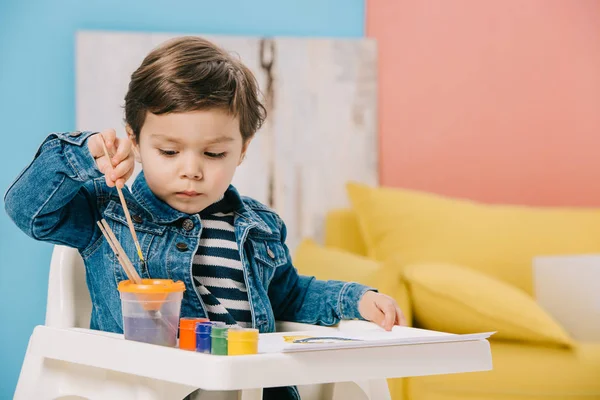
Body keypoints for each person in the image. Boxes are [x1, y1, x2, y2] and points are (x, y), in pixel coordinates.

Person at [4, 36, 405, 400]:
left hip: (253, 388)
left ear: (242, 149)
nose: (192, 170)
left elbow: (290, 295)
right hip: (149, 387)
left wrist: (354, 299)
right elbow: (26, 207)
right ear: (136, 141)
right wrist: (84, 152)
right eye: (169, 152)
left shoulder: (258, 226)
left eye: (213, 154)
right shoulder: (107, 213)